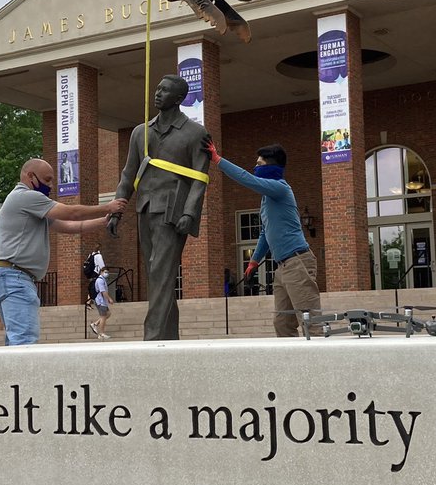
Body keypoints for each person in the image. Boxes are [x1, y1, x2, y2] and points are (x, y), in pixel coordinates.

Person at [110, 74, 211, 341]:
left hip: (174, 211)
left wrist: (190, 212)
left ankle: (152, 339)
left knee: (160, 272)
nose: (157, 93)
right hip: (145, 208)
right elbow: (128, 174)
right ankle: (169, 338)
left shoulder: (195, 133)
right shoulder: (140, 132)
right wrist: (117, 210)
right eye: (157, 89)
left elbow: (200, 177)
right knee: (158, 277)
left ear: (179, 98)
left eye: (165, 91)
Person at [0, 158, 126, 345]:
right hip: (14, 277)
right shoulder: (26, 197)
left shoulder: (31, 206)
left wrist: (103, 221)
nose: (51, 185)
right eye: (47, 180)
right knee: (24, 341)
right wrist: (107, 207)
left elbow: (69, 226)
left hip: (9, 275)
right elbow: (72, 213)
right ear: (30, 177)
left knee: (16, 341)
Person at [204, 139, 321, 337]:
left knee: (310, 321)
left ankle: (324, 365)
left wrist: (217, 160)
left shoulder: (280, 188)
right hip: (283, 266)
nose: (255, 167)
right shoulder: (267, 199)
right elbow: (265, 232)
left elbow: (248, 179)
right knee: (282, 322)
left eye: (259, 164)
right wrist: (255, 260)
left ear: (272, 166)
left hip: (297, 262)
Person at [90, 266, 113, 340]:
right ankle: (101, 334)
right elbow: (103, 291)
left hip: (103, 301)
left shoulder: (103, 280)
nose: (107, 273)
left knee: (108, 314)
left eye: (107, 272)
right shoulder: (100, 280)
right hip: (100, 301)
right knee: (103, 317)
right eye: (105, 272)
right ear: (101, 272)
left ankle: (95, 324)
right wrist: (109, 298)